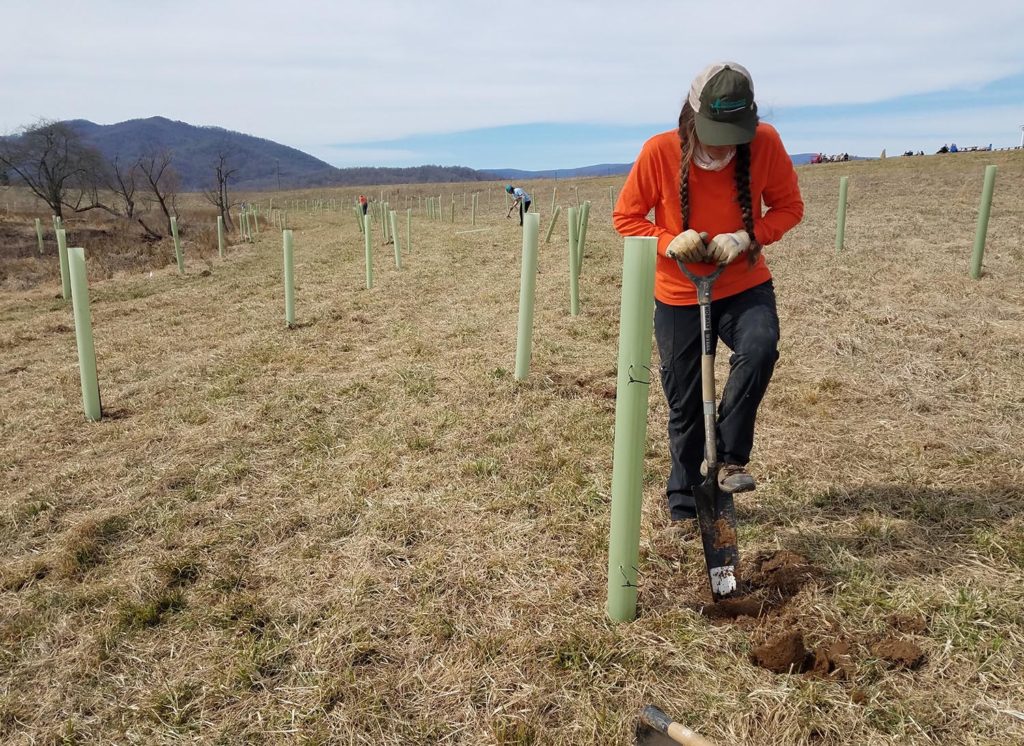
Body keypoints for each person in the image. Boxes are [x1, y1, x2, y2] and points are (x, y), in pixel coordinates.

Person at [613, 61, 804, 523]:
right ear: (692, 116)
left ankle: (728, 459)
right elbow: (626, 218)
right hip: (679, 292)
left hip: (742, 284)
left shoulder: (765, 143)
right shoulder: (659, 151)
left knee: (760, 348)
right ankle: (683, 502)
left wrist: (747, 237)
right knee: (685, 405)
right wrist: (666, 240)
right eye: (716, 129)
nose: (724, 143)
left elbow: (789, 207)